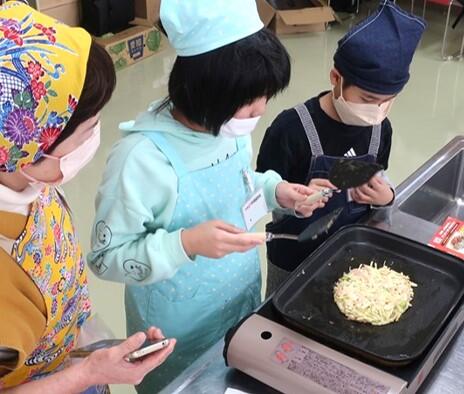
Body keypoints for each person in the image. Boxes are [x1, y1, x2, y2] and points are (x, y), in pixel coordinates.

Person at [88, 1, 320, 392]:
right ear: (208, 90)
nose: (259, 111)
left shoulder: (229, 127)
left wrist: (275, 190)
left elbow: (240, 182)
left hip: (239, 297)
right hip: (176, 326)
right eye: (250, 101)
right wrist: (186, 243)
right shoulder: (142, 160)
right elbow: (105, 258)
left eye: (265, 97)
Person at [0, 2, 175, 393]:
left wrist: (93, 352)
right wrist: (88, 374)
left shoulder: (29, 180)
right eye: (89, 127)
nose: (97, 134)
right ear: (32, 146)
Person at [257, 0, 427, 295]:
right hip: (293, 262)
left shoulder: (381, 129)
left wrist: (386, 197)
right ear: (336, 79)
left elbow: (380, 179)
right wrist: (292, 199)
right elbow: (257, 196)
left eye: (387, 101)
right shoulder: (291, 129)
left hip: (352, 262)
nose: (377, 110)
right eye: (367, 99)